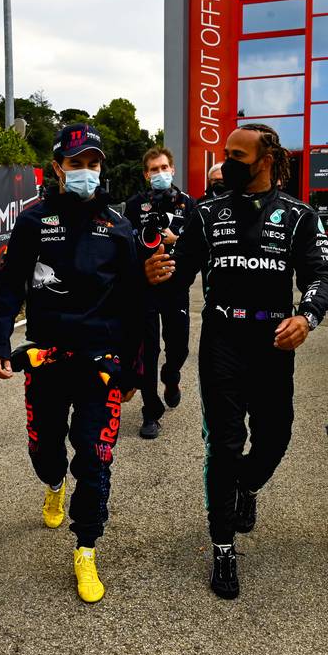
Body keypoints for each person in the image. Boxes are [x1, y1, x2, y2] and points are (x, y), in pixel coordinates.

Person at [145, 124, 328, 600]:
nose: (227, 163)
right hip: (222, 339)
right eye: (225, 154)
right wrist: (153, 275)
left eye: (237, 155)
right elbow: (177, 277)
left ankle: (246, 486)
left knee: (275, 438)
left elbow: (320, 273)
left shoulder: (299, 216)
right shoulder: (205, 213)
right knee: (225, 444)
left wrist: (306, 317)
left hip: (273, 340)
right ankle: (223, 544)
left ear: (267, 159)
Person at [0, 123, 143, 604]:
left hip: (100, 365)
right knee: (46, 451)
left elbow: (134, 303)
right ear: (57, 168)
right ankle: (53, 485)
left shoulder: (119, 227)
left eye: (93, 163)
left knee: (94, 458)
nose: (86, 172)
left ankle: (87, 549)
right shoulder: (34, 221)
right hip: (47, 361)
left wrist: (134, 369)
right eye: (76, 164)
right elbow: (9, 285)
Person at [123, 146, 195, 439]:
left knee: (178, 347)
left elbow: (198, 247)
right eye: (154, 169)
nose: (160, 173)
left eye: (164, 167)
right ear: (146, 174)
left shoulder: (188, 203)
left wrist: (177, 238)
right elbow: (125, 244)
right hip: (146, 288)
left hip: (176, 287)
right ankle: (150, 411)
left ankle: (172, 375)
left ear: (173, 169)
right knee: (147, 352)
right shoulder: (134, 204)